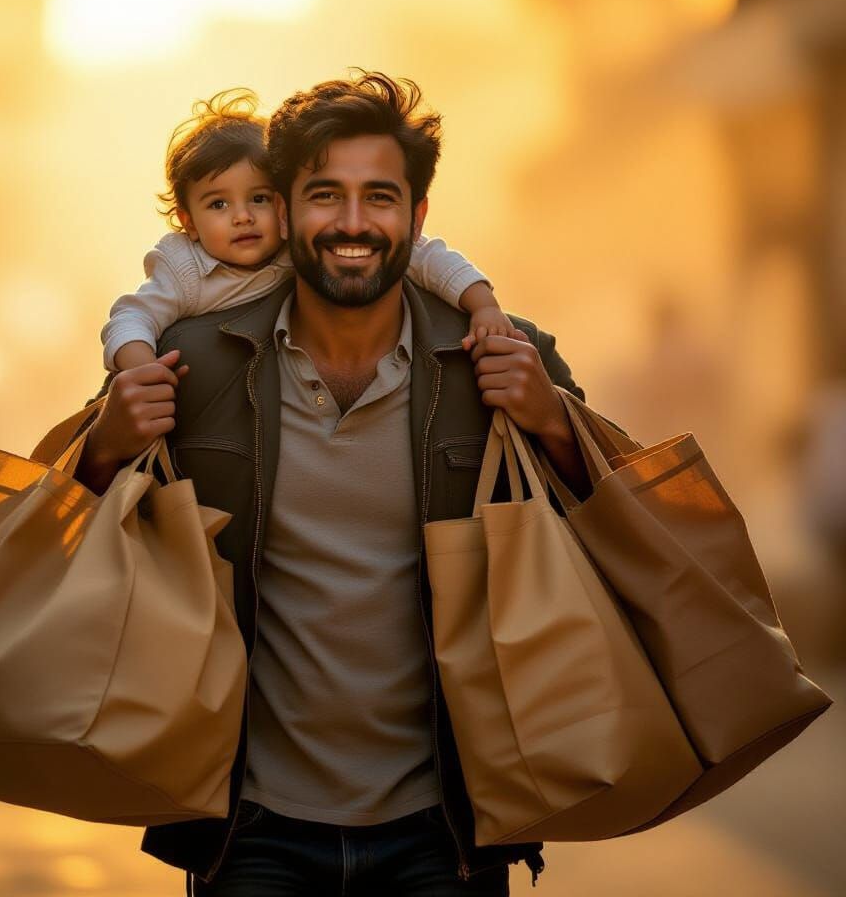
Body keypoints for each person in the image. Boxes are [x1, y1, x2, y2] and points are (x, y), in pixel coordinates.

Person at [74, 71, 593, 895]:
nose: (353, 223)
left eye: (379, 197)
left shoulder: (498, 355)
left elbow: (608, 537)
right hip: (249, 832)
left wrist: (554, 422)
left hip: (447, 834)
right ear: (284, 207)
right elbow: (75, 532)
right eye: (325, 195)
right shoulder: (193, 360)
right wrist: (104, 447)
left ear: (416, 217)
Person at [100, 89, 516, 376]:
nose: (243, 217)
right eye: (219, 204)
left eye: (258, 199)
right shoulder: (183, 273)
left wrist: (483, 306)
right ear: (188, 221)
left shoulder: (511, 352)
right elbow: (132, 316)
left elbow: (431, 259)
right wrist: (142, 370)